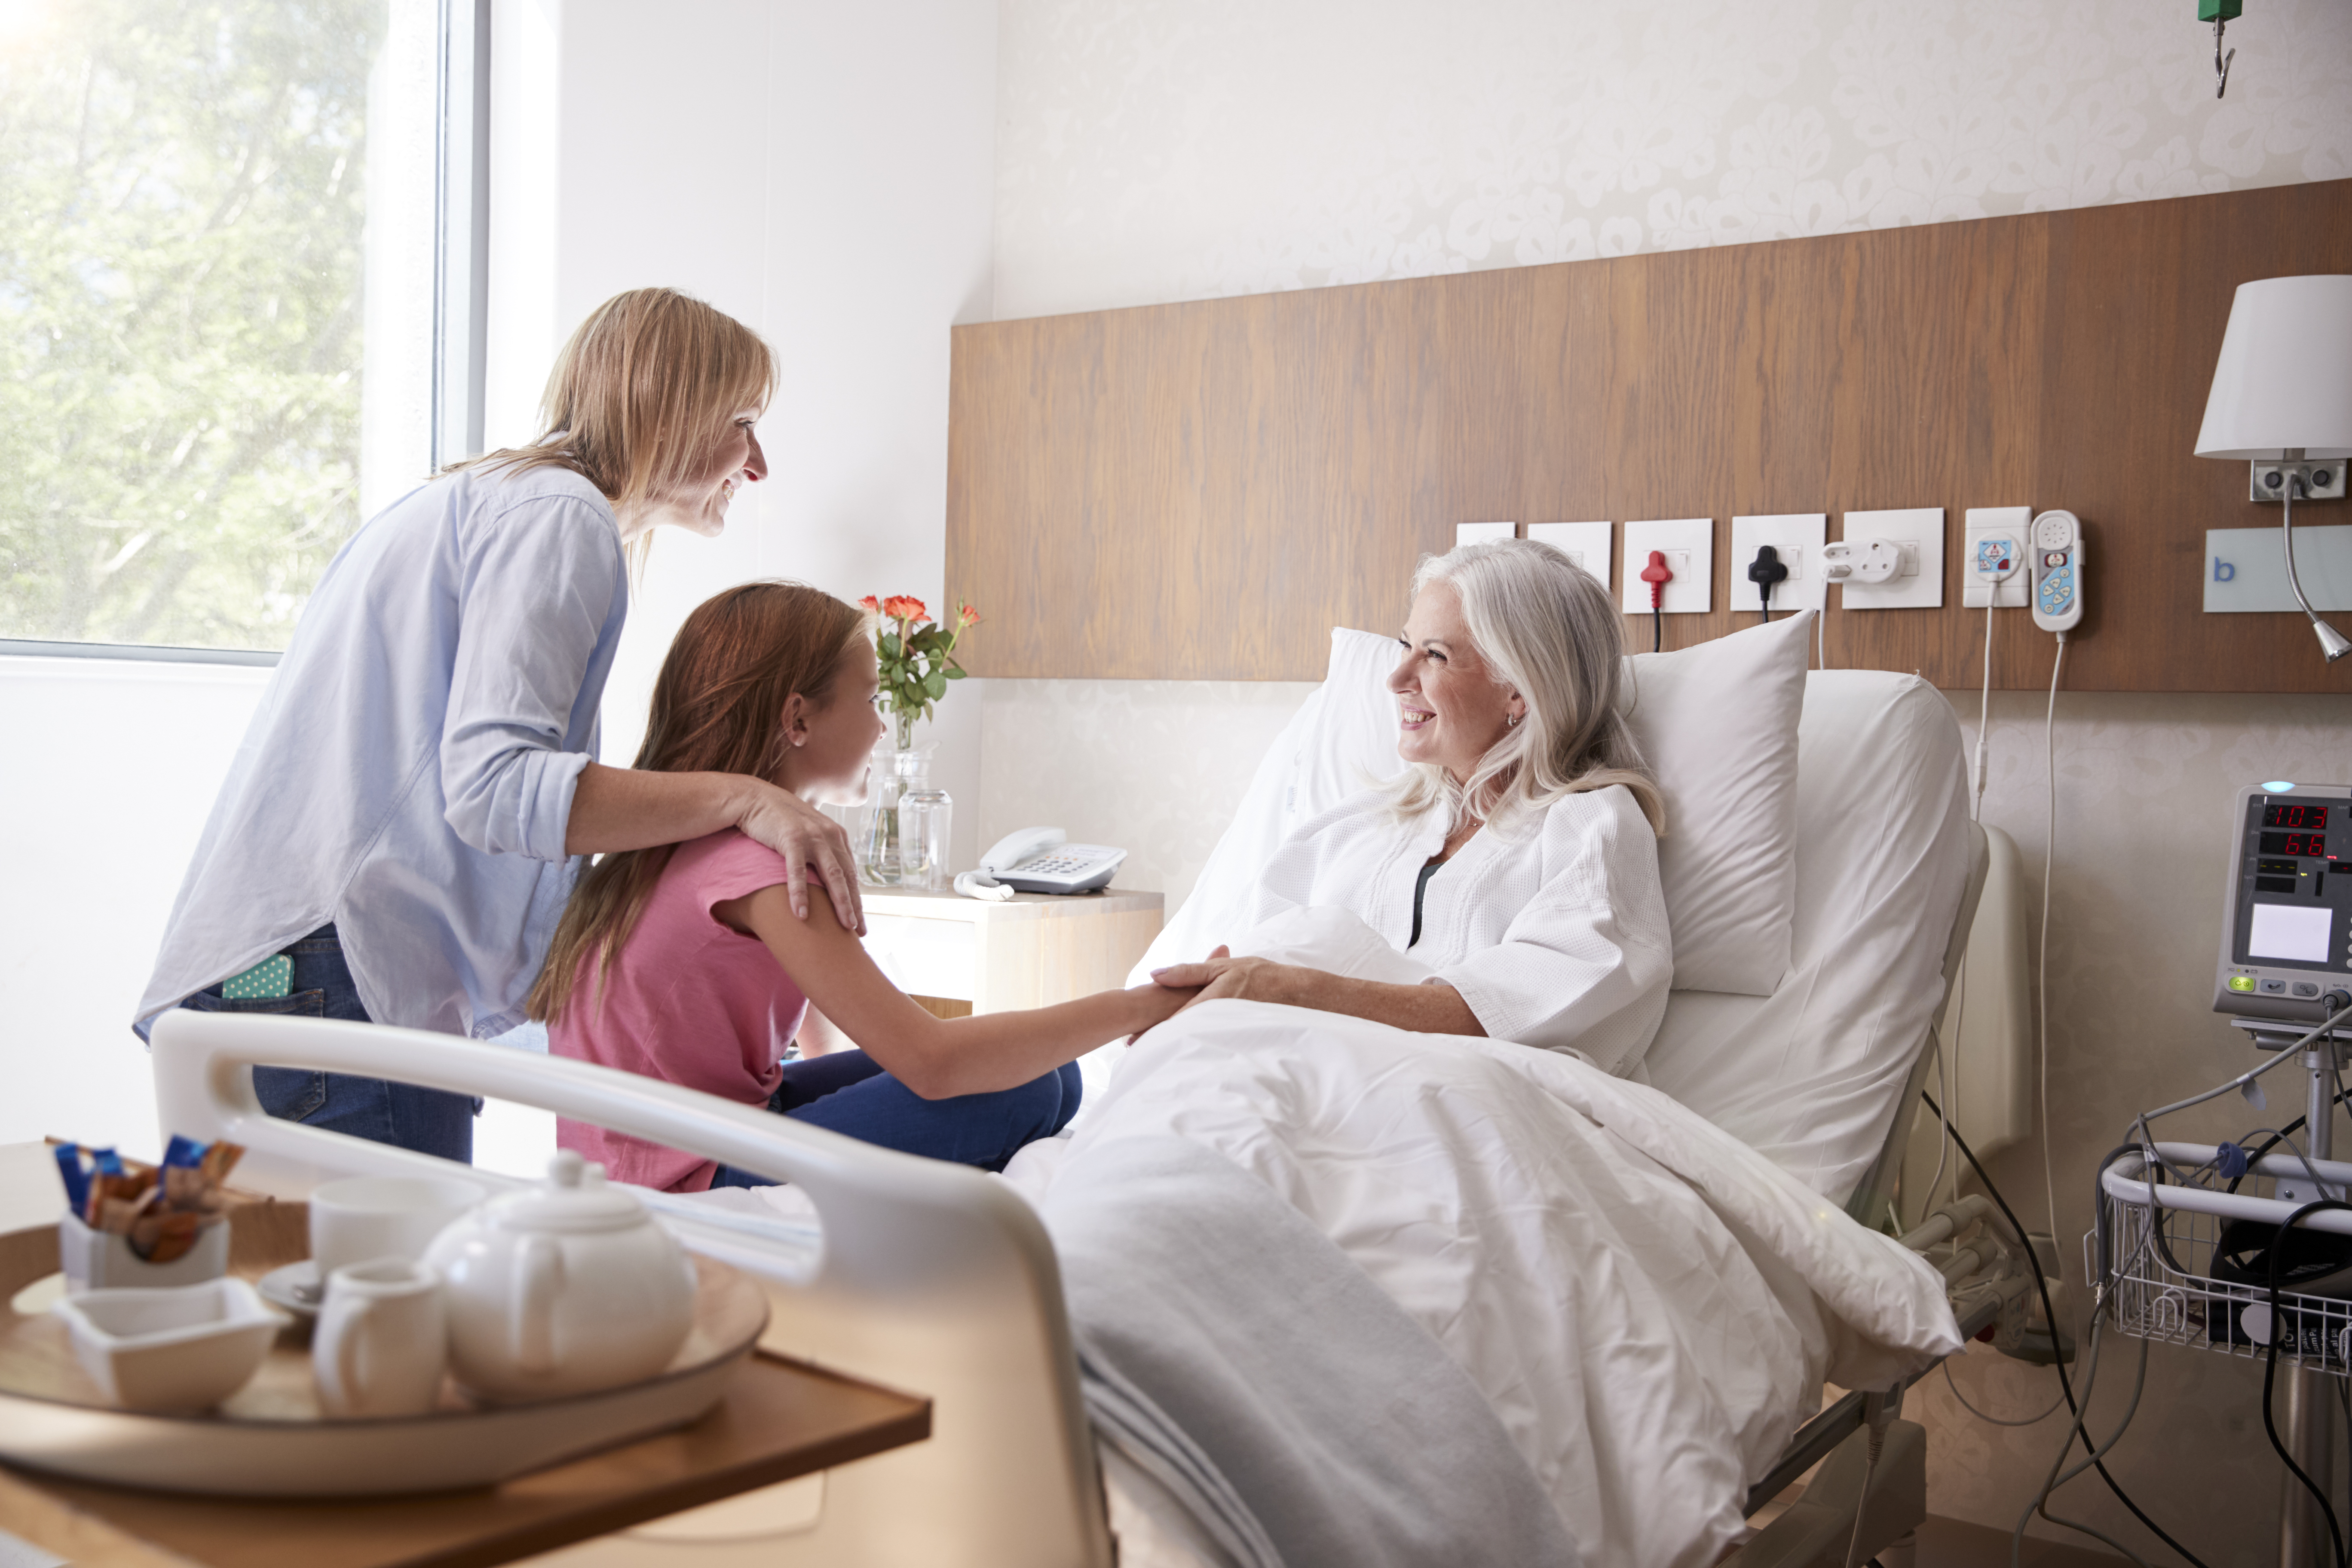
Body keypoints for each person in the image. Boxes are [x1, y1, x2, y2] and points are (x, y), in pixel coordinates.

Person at [135, 288, 864, 1162]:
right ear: (670, 409)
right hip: (329, 977)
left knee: (303, 1286)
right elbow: (493, 789)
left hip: (278, 975)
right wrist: (748, 800)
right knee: (390, 1289)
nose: (758, 463)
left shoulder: (487, 500)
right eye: (742, 421)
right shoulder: (560, 517)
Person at [534, 580, 1194, 1191]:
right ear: (797, 720)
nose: (883, 725)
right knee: (1023, 1090)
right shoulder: (759, 868)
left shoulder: (684, 842)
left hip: (696, 1131)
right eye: (873, 697)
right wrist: (1141, 1006)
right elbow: (929, 1060)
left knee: (1048, 1073)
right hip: (680, 1173)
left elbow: (827, 1032)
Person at [1151, 537, 1673, 1076]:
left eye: (1436, 656)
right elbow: (1228, 981)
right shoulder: (1352, 828)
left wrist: (1298, 991)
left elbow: (1529, 1011)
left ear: (1518, 691)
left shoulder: (1590, 827)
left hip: (1472, 1114)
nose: (1397, 679)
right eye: (1407, 647)